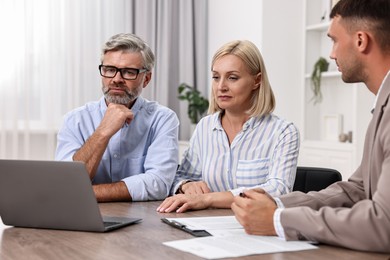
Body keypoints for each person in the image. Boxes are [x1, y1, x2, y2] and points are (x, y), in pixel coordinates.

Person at [231, 0, 390, 253]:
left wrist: (277, 220)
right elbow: (357, 190)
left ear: (361, 41)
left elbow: (384, 224)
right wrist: (278, 203)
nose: (332, 53)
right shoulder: (383, 103)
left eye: (334, 40)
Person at [157, 40, 300, 213]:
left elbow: (279, 189)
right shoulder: (205, 127)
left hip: (257, 226)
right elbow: (181, 176)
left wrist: (208, 199)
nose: (221, 86)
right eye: (216, 77)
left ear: (257, 81)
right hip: (206, 225)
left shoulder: (283, 132)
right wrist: (186, 185)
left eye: (232, 78)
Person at [55, 33, 179, 202]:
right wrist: (103, 132)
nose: (116, 79)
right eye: (110, 70)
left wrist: (86, 193)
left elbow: (158, 184)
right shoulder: (74, 120)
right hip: (82, 215)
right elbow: (65, 182)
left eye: (128, 72)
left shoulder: (162, 119)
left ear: (147, 78)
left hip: (143, 220)